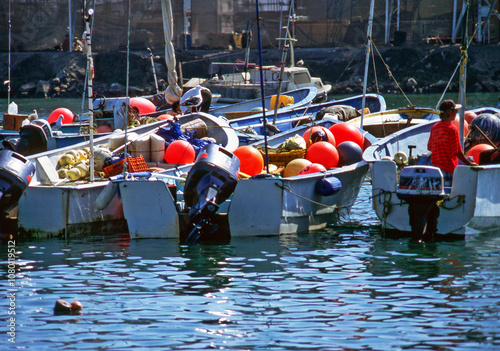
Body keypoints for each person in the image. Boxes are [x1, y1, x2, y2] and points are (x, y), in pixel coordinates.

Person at [427, 99, 476, 186]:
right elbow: (458, 152)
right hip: (448, 170)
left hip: (435, 170)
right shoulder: (452, 129)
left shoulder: (434, 128)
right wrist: (470, 164)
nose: (456, 113)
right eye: (455, 111)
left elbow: (430, 147)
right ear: (450, 113)